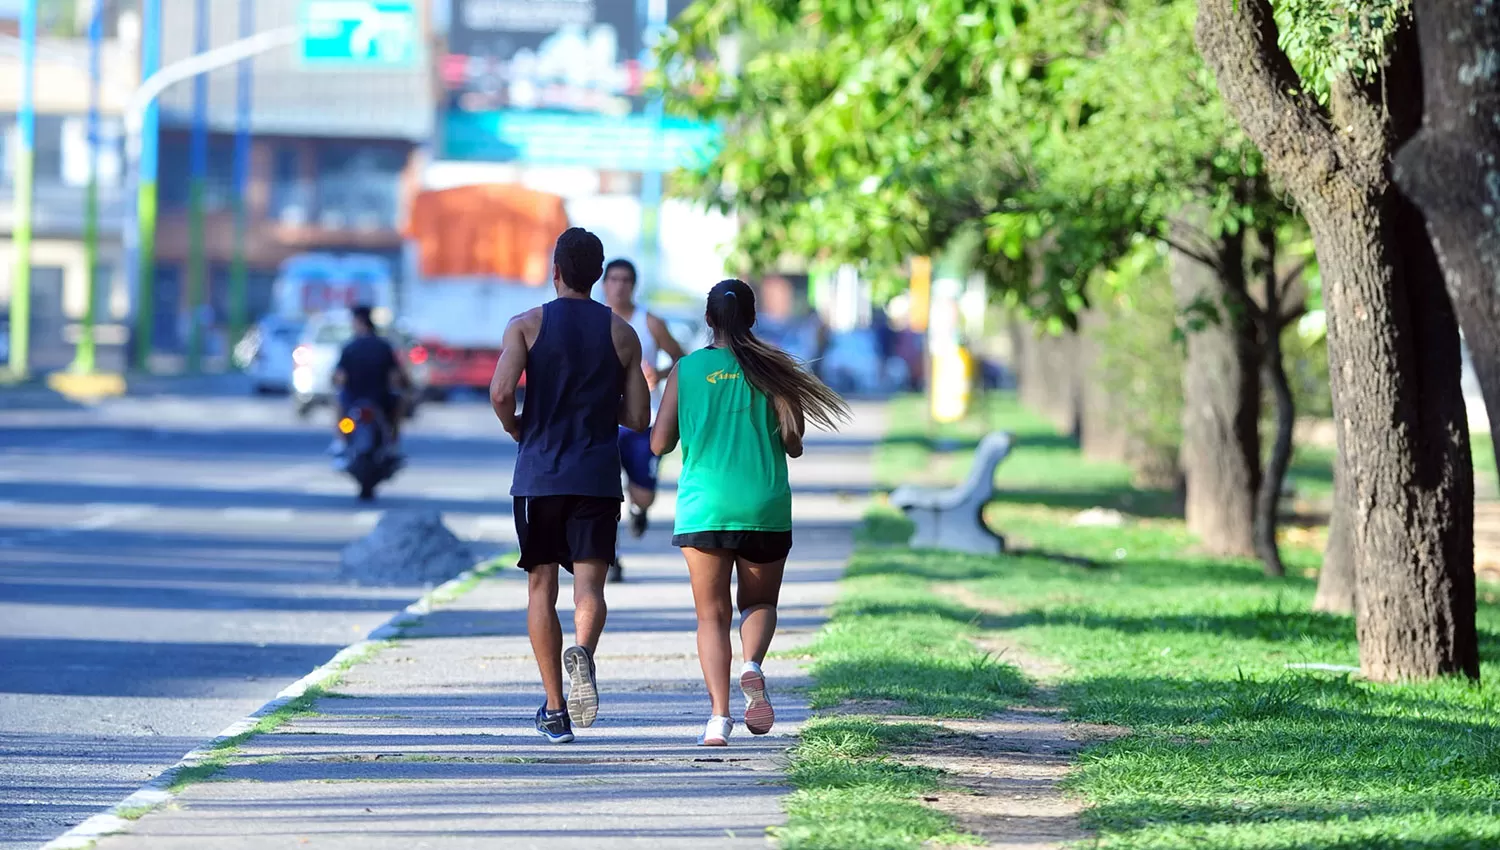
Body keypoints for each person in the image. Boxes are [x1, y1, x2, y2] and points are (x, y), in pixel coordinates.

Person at [650, 279, 849, 746]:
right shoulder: (774, 368)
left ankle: (718, 720)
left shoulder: (687, 369)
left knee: (711, 617)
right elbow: (793, 444)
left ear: (708, 320)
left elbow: (659, 443)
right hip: (764, 504)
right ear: (753, 318)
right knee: (759, 604)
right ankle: (752, 665)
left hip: (705, 508)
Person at [489, 227, 652, 744]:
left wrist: (519, 426)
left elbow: (499, 393)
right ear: (599, 276)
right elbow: (638, 417)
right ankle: (582, 648)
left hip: (539, 475)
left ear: (555, 270)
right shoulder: (622, 333)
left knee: (541, 585)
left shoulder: (526, 325)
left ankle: (556, 709)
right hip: (598, 476)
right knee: (591, 587)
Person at [602, 258, 687, 583]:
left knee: (643, 495)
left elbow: (682, 357)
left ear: (633, 286)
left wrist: (661, 374)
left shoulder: (649, 322)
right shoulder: (596, 321)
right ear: (604, 284)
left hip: (642, 420)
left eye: (626, 280)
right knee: (606, 495)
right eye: (614, 280)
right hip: (606, 423)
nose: (619, 286)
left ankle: (639, 511)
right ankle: (611, 558)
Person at [331, 305, 409, 460]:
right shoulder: (384, 346)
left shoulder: (350, 347)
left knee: (339, 402)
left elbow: (339, 377)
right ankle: (393, 442)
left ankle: (341, 441)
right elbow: (397, 376)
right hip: (380, 400)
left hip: (354, 399)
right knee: (396, 409)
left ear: (359, 322)